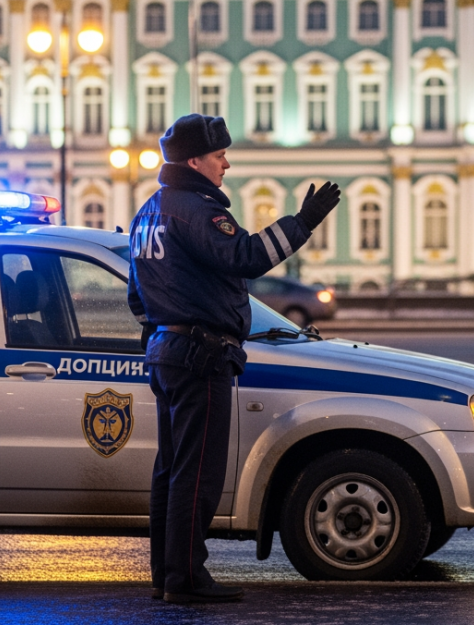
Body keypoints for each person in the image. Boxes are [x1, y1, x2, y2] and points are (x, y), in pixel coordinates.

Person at [127, 113, 341, 604]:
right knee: (197, 473)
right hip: (200, 355)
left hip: (166, 352)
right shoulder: (197, 210)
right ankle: (186, 579)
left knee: (172, 469)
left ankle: (166, 573)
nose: (226, 162)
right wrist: (302, 223)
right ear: (194, 160)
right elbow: (244, 255)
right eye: (219, 154)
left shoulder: (149, 212)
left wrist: (159, 336)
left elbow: (137, 294)